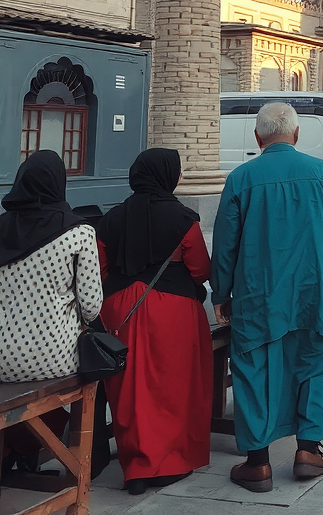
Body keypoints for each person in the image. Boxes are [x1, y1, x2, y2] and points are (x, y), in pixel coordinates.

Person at [212, 102, 323, 493]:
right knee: (320, 361)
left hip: (260, 293)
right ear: (296, 135)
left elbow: (225, 243)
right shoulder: (322, 173)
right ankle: (309, 450)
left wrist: (221, 292)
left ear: (259, 138)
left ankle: (257, 463)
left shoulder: (241, 178)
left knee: (254, 366)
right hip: (317, 288)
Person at [96, 149, 212, 496]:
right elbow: (201, 270)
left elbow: (99, 270)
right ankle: (167, 463)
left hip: (119, 310)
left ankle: (136, 467)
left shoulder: (111, 218)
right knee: (173, 387)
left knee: (129, 389)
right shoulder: (184, 219)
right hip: (172, 310)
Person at [0, 151, 103, 382]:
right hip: (56, 357)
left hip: (2, 360)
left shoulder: (2, 228)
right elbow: (91, 306)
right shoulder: (80, 233)